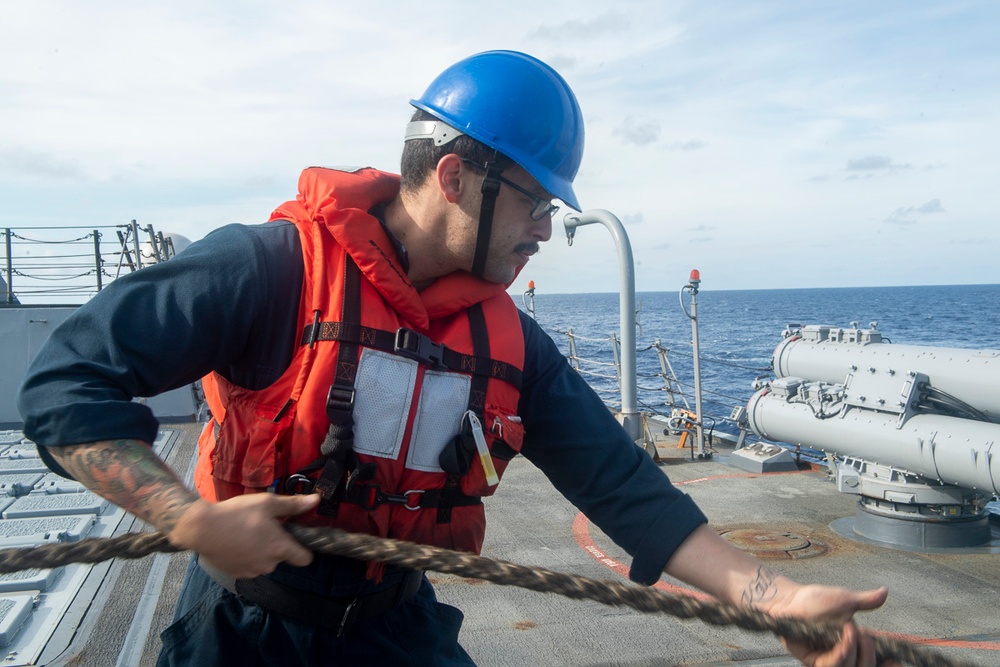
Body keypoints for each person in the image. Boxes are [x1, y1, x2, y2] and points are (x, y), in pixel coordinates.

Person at [18, 50, 891, 667]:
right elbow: (65, 384)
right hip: (245, 633)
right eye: (535, 202)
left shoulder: (510, 344)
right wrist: (184, 515)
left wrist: (775, 597)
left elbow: (624, 485)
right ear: (453, 178)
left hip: (397, 631)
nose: (549, 230)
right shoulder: (268, 270)